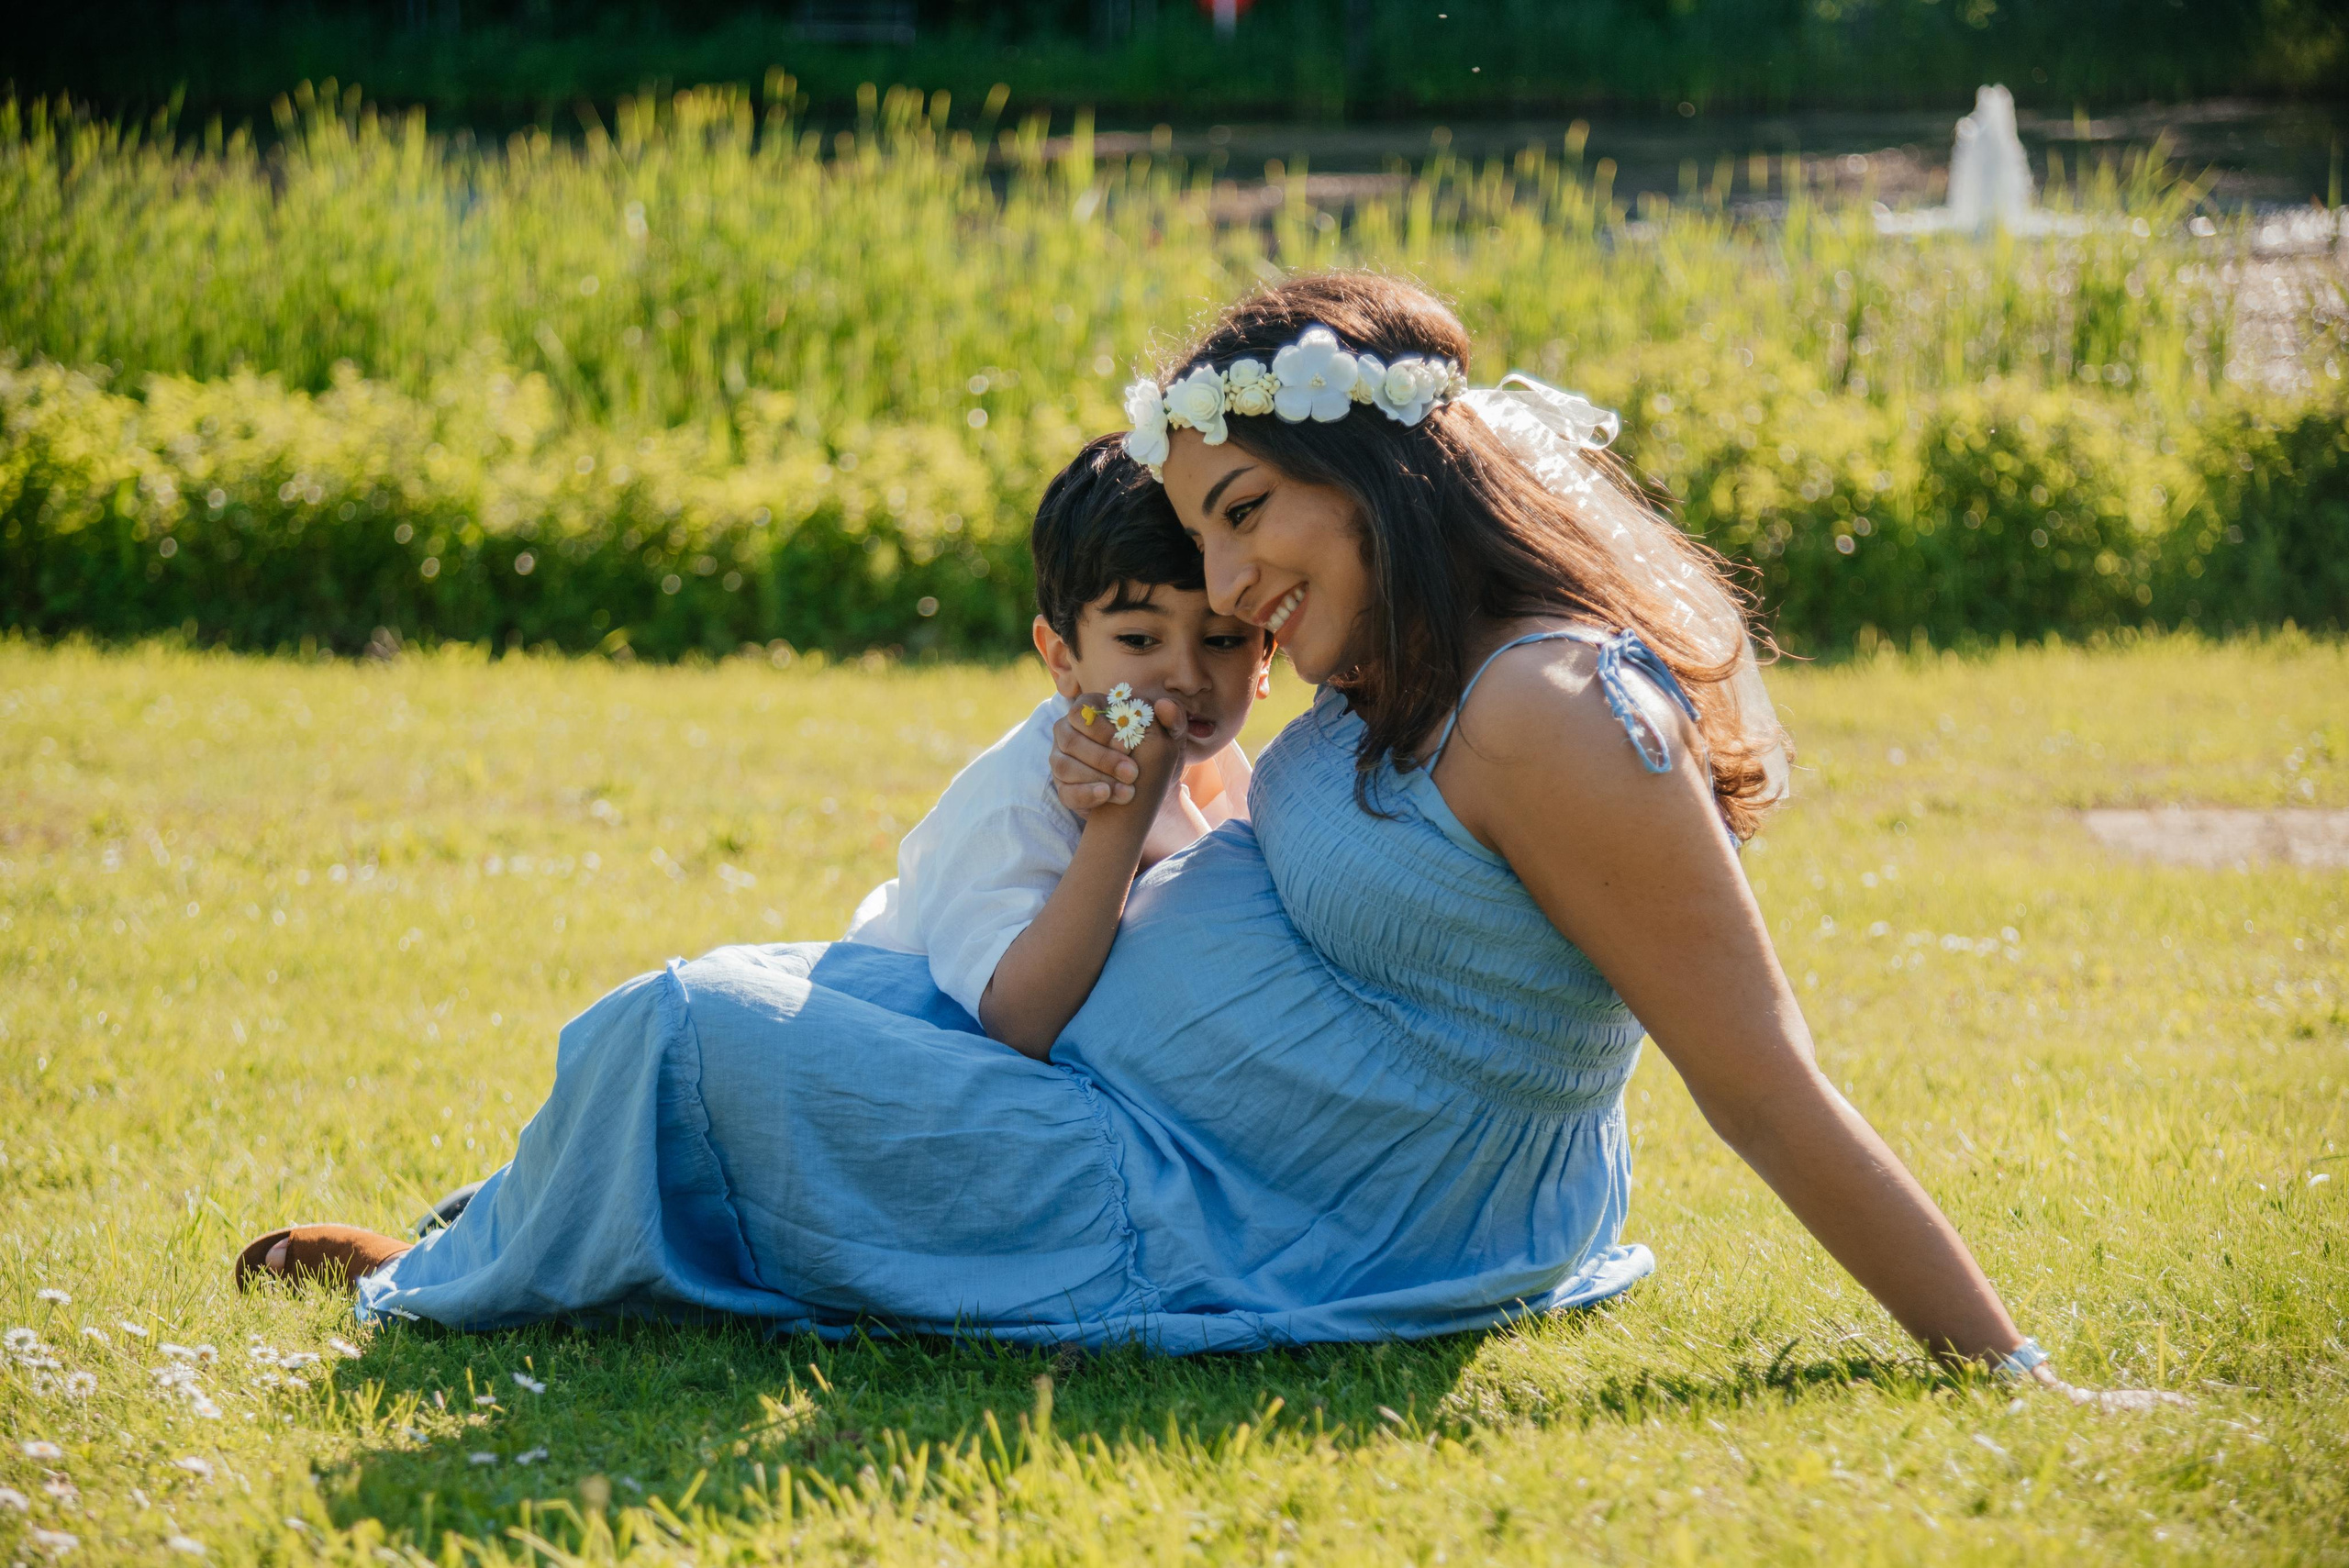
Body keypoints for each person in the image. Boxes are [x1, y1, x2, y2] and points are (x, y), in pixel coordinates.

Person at [235, 271, 2169, 1406]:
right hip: (1182, 1139)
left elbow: (1760, 1080)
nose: (1228, 590)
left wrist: (2000, 1364)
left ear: (1380, 471)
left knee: (687, 1018)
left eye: (1247, 516)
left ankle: (463, 1264)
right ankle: (491, 1234)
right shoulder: (1406, 666)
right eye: (1203, 541)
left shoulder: (1554, 705)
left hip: (1264, 1212)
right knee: (799, 988)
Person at [842, 434, 1272, 1058]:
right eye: (1140, 640)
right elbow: (1019, 1020)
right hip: (922, 1032)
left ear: (1266, 656)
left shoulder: (1232, 770)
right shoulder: (1023, 802)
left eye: (1224, 641)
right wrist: (1124, 821)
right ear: (1062, 658)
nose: (1186, 675)